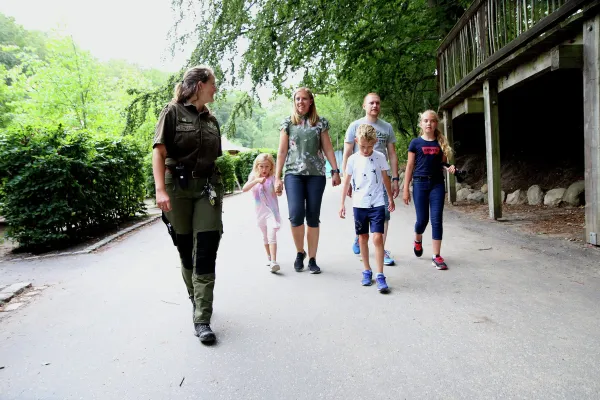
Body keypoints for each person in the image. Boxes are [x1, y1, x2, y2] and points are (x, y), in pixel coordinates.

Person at [152, 65, 223, 344]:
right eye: (212, 83)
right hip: (177, 188)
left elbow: (214, 157)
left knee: (205, 249)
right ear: (199, 85)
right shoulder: (172, 112)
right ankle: (195, 297)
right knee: (185, 249)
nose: (215, 88)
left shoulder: (211, 120)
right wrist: (160, 190)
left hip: (207, 188)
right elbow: (159, 153)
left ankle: (202, 318)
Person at [274, 87, 341, 274]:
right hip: (293, 175)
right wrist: (277, 177)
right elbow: (281, 152)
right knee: (296, 215)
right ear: (294, 101)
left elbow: (328, 148)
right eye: (297, 99)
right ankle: (299, 252)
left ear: (311, 101)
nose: (300, 102)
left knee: (312, 216)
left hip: (316, 175)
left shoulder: (320, 123)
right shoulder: (287, 123)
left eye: (304, 99)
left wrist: (335, 170)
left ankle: (312, 258)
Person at [342, 93, 399, 266]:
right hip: (360, 179)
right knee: (363, 214)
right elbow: (347, 154)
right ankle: (360, 238)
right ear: (364, 106)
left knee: (384, 213)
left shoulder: (387, 127)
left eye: (377, 103)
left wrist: (395, 178)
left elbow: (392, 154)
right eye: (371, 103)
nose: (375, 105)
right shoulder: (354, 126)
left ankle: (382, 247)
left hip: (380, 177)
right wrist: (347, 180)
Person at [339, 124, 395, 293]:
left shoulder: (380, 157)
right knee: (363, 237)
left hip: (377, 202)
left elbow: (385, 178)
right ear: (356, 142)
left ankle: (380, 275)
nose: (366, 150)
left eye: (369, 146)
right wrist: (342, 203)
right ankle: (366, 270)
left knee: (377, 238)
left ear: (375, 142)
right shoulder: (353, 159)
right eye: (362, 146)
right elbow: (346, 182)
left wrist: (390, 198)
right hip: (359, 204)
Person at [402, 110, 456, 270]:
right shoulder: (415, 143)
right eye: (425, 120)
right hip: (419, 184)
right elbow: (410, 166)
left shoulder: (440, 143)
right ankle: (417, 239)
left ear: (436, 123)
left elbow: (443, 164)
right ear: (421, 123)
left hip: (437, 185)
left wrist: (449, 167)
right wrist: (406, 189)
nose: (428, 123)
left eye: (432, 121)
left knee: (436, 219)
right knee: (422, 220)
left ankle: (436, 255)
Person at [242, 153, 281, 273]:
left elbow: (278, 193)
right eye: (261, 166)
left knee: (271, 235)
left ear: (271, 167)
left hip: (272, 212)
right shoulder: (253, 177)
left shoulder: (273, 178)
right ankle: (269, 258)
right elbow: (244, 189)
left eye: (267, 167)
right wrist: (257, 181)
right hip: (260, 213)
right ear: (257, 167)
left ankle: (274, 261)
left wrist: (279, 189)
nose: (264, 169)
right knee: (265, 237)